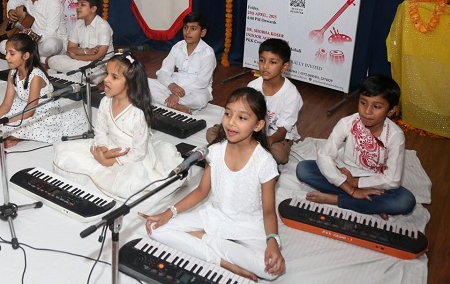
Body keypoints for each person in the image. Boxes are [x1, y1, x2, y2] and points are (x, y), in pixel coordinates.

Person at [140, 87, 285, 282]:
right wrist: (169, 212)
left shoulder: (265, 162)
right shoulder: (215, 151)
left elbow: (268, 211)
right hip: (214, 217)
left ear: (258, 125)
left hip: (248, 226)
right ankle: (222, 262)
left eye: (242, 118)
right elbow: (201, 191)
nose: (231, 122)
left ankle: (204, 238)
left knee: (270, 271)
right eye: (228, 114)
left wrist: (273, 241)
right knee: (155, 228)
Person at [52, 54, 182, 200]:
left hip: (132, 157)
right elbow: (101, 131)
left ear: (130, 84)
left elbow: (139, 153)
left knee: (128, 185)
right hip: (109, 147)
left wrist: (110, 161)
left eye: (114, 77)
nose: (106, 79)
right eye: (107, 73)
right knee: (64, 154)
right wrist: (103, 150)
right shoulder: (105, 101)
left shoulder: (137, 114)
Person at [296, 75, 416, 218]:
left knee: (405, 201)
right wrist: (350, 188)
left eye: (376, 107)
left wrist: (357, 183)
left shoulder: (395, 136)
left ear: (391, 111)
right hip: (345, 173)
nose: (367, 111)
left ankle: (337, 200)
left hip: (375, 181)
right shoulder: (347, 123)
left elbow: (392, 180)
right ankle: (370, 204)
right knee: (304, 169)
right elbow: (325, 156)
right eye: (363, 103)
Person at [0, 33, 86, 148]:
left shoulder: (36, 76)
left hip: (40, 111)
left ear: (25, 56)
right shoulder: (13, 73)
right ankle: (5, 134)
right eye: (6, 52)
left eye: (12, 54)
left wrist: (0, 124)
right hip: (23, 106)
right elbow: (6, 104)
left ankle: (14, 136)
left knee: (14, 126)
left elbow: (29, 112)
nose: (6, 57)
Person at [208, 38, 303, 165]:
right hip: (252, 130)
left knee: (278, 155)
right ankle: (245, 151)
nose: (265, 66)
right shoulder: (253, 86)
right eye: (262, 60)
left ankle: (243, 151)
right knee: (212, 134)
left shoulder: (291, 95)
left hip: (275, 137)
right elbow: (244, 116)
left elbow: (282, 131)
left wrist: (265, 143)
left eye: (273, 62)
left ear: (285, 66)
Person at [148, 12, 216, 114]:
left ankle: (166, 101)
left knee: (200, 100)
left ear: (202, 32)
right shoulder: (177, 47)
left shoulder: (208, 53)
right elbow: (163, 72)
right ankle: (176, 106)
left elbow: (201, 82)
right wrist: (172, 86)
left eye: (193, 29)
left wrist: (177, 95)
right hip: (175, 85)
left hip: (195, 90)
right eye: (185, 28)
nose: (187, 32)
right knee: (144, 83)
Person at [0, 0, 67, 63]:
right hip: (32, 42)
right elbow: (12, 2)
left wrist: (32, 35)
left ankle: (27, 57)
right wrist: (10, 11)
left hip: (51, 40)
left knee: (51, 44)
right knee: (3, 45)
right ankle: (41, 59)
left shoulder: (52, 2)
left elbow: (50, 33)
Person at [47, 0, 113, 84]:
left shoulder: (103, 26)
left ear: (93, 9)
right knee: (52, 61)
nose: (78, 7)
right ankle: (73, 77)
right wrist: (87, 51)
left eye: (82, 5)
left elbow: (99, 57)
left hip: (98, 65)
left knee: (91, 71)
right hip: (80, 61)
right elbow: (70, 48)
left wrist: (76, 56)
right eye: (77, 4)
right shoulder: (78, 24)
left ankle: (59, 76)